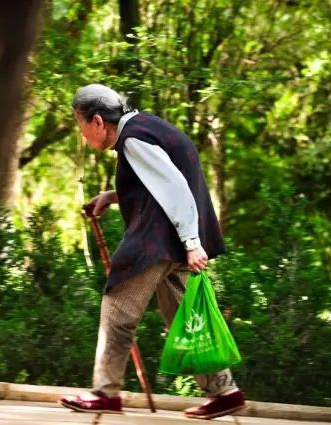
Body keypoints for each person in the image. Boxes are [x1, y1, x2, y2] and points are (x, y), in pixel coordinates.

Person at [58, 84, 245, 420]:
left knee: (117, 309)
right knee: (188, 318)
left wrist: (191, 244)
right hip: (174, 239)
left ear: (97, 121)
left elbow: (174, 188)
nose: (81, 133)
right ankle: (224, 391)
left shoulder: (133, 140)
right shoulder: (147, 125)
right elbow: (157, 181)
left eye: (80, 124)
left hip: (158, 241)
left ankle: (105, 393)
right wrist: (114, 196)